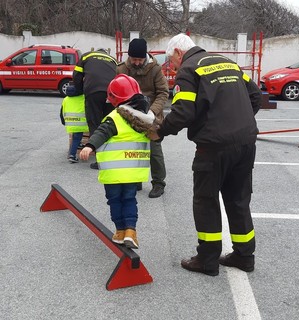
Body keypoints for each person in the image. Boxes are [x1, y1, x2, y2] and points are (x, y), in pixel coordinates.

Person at [147, 33, 262, 276]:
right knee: (238, 199)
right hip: (245, 143)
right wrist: (238, 122)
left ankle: (207, 260)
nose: (172, 66)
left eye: (171, 61)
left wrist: (161, 131)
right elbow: (255, 96)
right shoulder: (228, 63)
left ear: (179, 53)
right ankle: (244, 256)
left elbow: (183, 111)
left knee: (206, 201)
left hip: (213, 147)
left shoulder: (189, 69)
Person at [79, 74, 154, 249]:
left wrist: (89, 146)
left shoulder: (115, 117)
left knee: (114, 200)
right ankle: (131, 232)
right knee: (129, 199)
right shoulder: (146, 118)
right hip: (133, 172)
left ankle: (120, 231)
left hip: (114, 173)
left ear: (114, 98)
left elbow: (101, 132)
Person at [117, 38, 169, 198]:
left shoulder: (155, 69)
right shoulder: (122, 69)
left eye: (140, 59)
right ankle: (136, 180)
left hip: (151, 116)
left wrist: (152, 111)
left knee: (154, 151)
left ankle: (158, 183)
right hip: (130, 115)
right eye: (134, 59)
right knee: (132, 150)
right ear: (129, 57)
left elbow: (163, 92)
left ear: (145, 56)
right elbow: (117, 90)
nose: (137, 63)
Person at [73, 48, 117, 169]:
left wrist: (80, 90)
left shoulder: (86, 56)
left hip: (93, 92)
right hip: (112, 94)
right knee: (109, 124)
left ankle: (100, 160)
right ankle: (111, 157)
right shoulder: (113, 60)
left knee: (95, 124)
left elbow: (77, 75)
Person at [60, 83, 88, 163]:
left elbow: (62, 111)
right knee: (77, 137)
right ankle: (72, 155)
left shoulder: (66, 99)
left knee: (76, 136)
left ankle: (78, 145)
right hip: (80, 122)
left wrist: (63, 121)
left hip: (69, 122)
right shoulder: (83, 98)